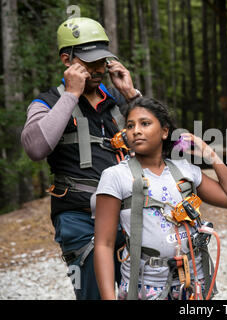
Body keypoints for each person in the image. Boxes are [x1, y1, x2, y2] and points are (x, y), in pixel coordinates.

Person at [21, 17, 140, 299]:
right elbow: (35, 148)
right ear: (67, 60)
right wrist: (72, 94)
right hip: (80, 218)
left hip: (129, 213)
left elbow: (163, 144)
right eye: (90, 62)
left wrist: (132, 95)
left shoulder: (117, 102)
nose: (99, 69)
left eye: (103, 61)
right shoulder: (47, 102)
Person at [94, 97, 227, 300]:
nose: (136, 130)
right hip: (145, 286)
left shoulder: (185, 170)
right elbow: (104, 243)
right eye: (130, 126)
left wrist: (208, 153)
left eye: (145, 123)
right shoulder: (115, 176)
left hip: (193, 283)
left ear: (164, 131)